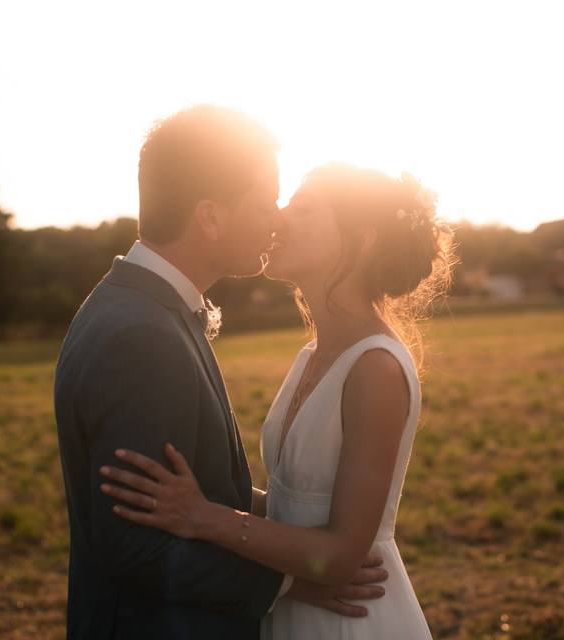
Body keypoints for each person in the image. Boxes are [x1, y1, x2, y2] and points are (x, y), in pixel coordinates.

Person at [53, 107, 389, 640]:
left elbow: (206, 491)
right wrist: (287, 584)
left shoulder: (145, 310)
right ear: (210, 217)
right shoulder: (140, 335)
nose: (277, 220)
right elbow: (136, 544)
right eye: (265, 203)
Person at [100, 162, 455, 638]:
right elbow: (298, 505)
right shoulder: (312, 353)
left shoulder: (376, 368)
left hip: (349, 619)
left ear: (363, 239)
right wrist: (198, 490)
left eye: (303, 209)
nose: (279, 219)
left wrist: (207, 518)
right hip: (293, 609)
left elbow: (341, 556)